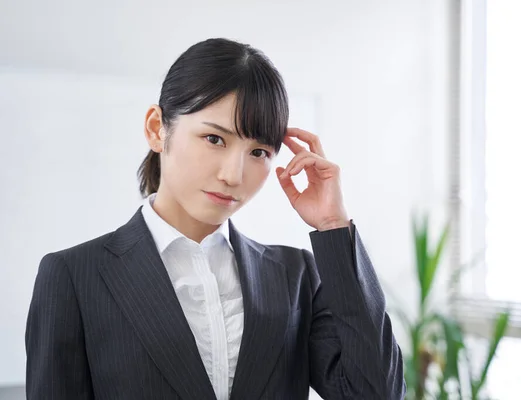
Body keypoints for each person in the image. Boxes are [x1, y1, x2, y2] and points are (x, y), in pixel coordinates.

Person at [25, 38, 405, 400]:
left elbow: (376, 393)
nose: (233, 175)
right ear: (157, 129)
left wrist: (333, 226)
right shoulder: (75, 277)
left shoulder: (297, 277)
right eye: (215, 139)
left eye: (258, 151)